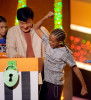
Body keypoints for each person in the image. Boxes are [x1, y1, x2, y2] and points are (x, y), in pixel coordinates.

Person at [34, 12, 88, 100]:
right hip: (45, 82)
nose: (49, 42)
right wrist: (46, 17)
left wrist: (83, 86)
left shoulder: (65, 53)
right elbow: (36, 28)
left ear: (59, 42)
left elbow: (75, 68)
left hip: (55, 86)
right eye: (49, 40)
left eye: (52, 41)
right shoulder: (48, 42)